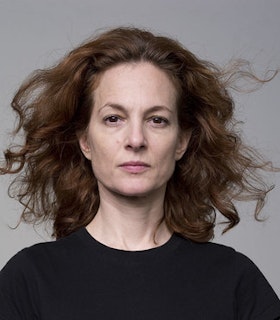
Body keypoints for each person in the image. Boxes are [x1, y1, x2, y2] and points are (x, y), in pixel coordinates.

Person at [0, 26, 279, 319]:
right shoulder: (29, 280)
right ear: (85, 141)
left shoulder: (235, 280)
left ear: (181, 141)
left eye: (157, 120)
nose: (135, 139)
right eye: (113, 119)